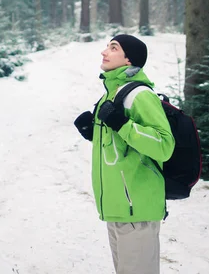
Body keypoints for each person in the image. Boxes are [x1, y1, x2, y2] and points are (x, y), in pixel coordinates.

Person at [74, 34, 175, 274]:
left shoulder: (140, 95)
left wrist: (121, 124)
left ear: (129, 60)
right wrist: (93, 134)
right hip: (119, 207)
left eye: (113, 48)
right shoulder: (111, 93)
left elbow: (164, 145)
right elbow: (120, 148)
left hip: (137, 207)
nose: (104, 52)